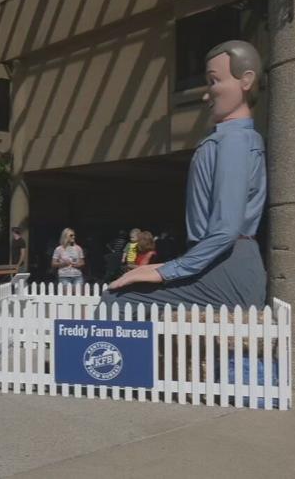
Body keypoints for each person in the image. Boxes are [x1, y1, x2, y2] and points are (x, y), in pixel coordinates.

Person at [103, 40, 267, 309]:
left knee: (116, 303)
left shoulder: (235, 141)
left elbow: (226, 230)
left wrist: (164, 270)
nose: (206, 95)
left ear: (246, 81)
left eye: (214, 82)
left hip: (226, 267)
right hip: (219, 262)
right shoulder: (233, 140)